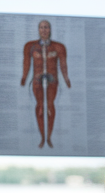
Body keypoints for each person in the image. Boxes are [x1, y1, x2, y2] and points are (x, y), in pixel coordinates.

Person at [20, 19, 70, 149]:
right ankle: (43, 137)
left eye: (46, 27)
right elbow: (27, 63)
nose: (44, 30)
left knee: (50, 107)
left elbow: (63, 65)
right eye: (41, 27)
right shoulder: (31, 46)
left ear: (50, 29)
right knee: (40, 107)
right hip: (37, 80)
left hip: (52, 80)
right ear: (38, 30)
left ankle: (49, 137)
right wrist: (24, 78)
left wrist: (67, 79)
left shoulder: (58, 47)